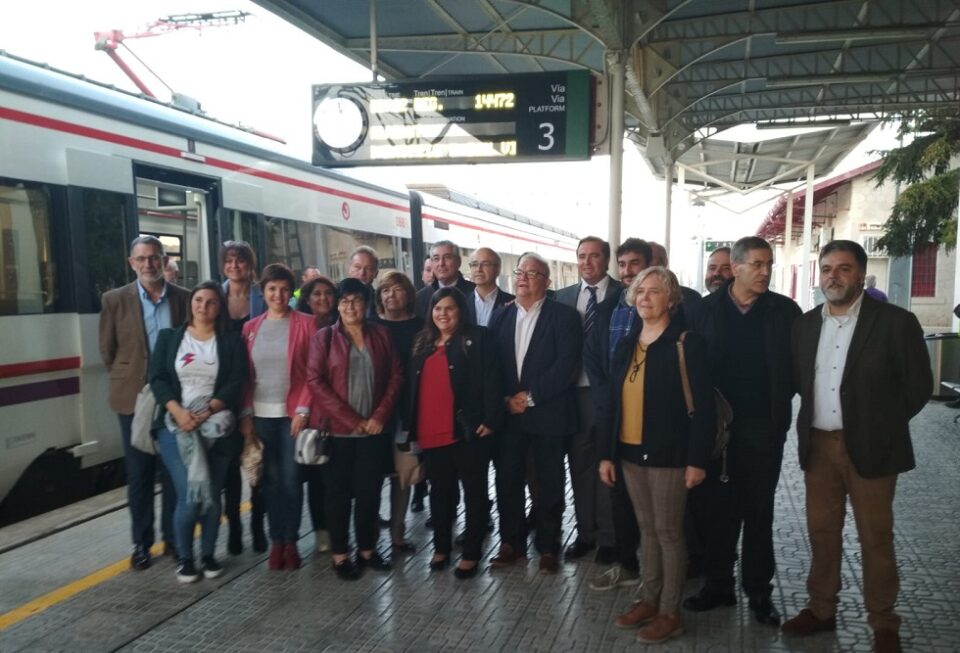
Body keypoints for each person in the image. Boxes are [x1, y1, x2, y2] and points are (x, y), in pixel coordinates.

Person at [783, 241, 931, 653]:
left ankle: (884, 622)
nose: (834, 276)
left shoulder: (895, 323)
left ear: (861, 274)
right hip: (820, 447)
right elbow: (801, 381)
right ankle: (820, 608)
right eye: (827, 269)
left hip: (873, 449)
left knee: (875, 537)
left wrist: (880, 425)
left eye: (844, 269)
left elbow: (918, 386)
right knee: (821, 532)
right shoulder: (805, 325)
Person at [684, 236, 801, 626]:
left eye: (769, 264)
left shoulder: (784, 311)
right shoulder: (703, 311)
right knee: (717, 511)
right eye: (757, 264)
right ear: (735, 268)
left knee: (758, 512)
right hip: (716, 430)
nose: (766, 271)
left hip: (764, 430)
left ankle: (758, 591)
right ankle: (718, 585)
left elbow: (798, 370)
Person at [598, 267, 714, 643]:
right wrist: (606, 454)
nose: (644, 298)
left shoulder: (685, 342)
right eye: (639, 291)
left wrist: (697, 459)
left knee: (668, 533)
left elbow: (704, 409)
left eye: (653, 291)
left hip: (669, 454)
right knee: (646, 530)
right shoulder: (627, 342)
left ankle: (670, 611)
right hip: (629, 451)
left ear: (670, 299)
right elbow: (611, 404)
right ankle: (648, 598)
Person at [99, 235, 189, 570]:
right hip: (133, 399)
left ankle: (174, 540)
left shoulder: (183, 298)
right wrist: (131, 378)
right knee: (138, 475)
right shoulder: (114, 300)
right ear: (131, 263)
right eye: (142, 259)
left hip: (173, 400)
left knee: (172, 473)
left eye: (155, 258)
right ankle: (141, 544)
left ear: (164, 260)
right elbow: (108, 350)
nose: (149, 264)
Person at [487, 252, 581, 574]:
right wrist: (504, 400)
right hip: (510, 418)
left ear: (546, 281)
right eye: (519, 271)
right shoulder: (500, 317)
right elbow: (492, 367)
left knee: (549, 483)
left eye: (531, 272)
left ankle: (548, 545)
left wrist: (529, 398)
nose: (523, 277)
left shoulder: (564, 317)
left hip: (548, 415)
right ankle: (510, 543)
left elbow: (565, 367)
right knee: (507, 480)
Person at [148, 281, 248, 583]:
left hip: (217, 424)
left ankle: (207, 554)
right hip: (175, 425)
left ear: (220, 308)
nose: (203, 307)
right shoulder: (169, 338)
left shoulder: (231, 341)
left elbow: (237, 379)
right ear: (191, 303)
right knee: (191, 496)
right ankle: (185, 557)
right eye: (199, 300)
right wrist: (178, 412)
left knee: (212, 497)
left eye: (211, 302)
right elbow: (157, 378)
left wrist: (210, 409)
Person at [306, 278, 402, 580]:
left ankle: (367, 550)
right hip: (337, 432)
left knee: (369, 492)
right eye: (344, 300)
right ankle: (339, 554)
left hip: (374, 431)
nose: (350, 306)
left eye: (357, 300)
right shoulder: (323, 338)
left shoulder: (382, 335)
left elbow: (396, 377)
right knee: (337, 494)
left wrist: (379, 416)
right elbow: (315, 382)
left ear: (366, 304)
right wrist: (351, 420)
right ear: (337, 304)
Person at [407, 288, 503, 578]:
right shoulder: (422, 341)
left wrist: (491, 418)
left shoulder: (478, 337)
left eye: (449, 308)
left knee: (474, 493)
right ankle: (441, 548)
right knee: (440, 493)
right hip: (431, 430)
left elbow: (493, 378)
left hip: (467, 430)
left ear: (461, 311)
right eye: (438, 309)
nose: (443, 314)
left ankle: (471, 552)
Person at [583, 237, 652, 591]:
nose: (627, 272)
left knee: (654, 500)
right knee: (618, 495)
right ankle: (626, 563)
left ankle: (656, 575)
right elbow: (593, 360)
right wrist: (608, 401)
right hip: (615, 418)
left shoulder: (667, 309)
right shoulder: (608, 307)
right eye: (622, 265)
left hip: (653, 421)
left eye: (634, 263)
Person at [239, 263, 317, 571]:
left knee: (292, 481)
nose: (279, 294)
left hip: (292, 417)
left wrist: (303, 409)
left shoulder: (307, 324)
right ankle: (277, 541)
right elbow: (246, 377)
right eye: (272, 289)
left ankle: (292, 541)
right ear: (263, 292)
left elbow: (314, 372)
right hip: (260, 415)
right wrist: (245, 415)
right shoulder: (250, 328)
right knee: (269, 483)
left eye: (285, 289)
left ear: (292, 291)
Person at [555, 236, 620, 565]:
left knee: (608, 466)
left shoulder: (625, 295)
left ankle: (610, 538)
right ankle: (585, 533)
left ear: (606, 259)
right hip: (573, 395)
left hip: (611, 396)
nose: (587, 262)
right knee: (580, 467)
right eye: (582, 256)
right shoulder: (562, 298)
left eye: (595, 256)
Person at [219, 240, 267, 555]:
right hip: (224, 388)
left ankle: (257, 524)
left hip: (260, 385)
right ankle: (234, 526)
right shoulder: (215, 295)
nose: (235, 266)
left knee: (257, 461)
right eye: (230, 261)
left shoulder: (262, 294)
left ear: (250, 264)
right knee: (228, 466)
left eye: (241, 261)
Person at [373, 271, 424, 554]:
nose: (391, 295)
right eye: (385, 290)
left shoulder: (421, 327)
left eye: (397, 289)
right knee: (372, 473)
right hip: (373, 413)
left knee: (402, 475)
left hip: (407, 411)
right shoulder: (370, 326)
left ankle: (397, 533)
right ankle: (369, 534)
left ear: (409, 294)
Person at [295, 274, 339, 553]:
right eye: (316, 294)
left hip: (338, 411)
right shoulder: (299, 327)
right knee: (314, 476)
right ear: (307, 299)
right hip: (307, 411)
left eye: (327, 293)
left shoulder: (342, 325)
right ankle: (322, 530)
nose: (322, 298)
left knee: (335, 476)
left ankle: (337, 528)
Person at [414, 241, 475, 318]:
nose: (441, 263)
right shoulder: (421, 298)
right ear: (432, 263)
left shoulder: (474, 293)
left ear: (458, 261)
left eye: (447, 257)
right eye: (436, 259)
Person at [466, 247, 514, 327]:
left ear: (498, 269)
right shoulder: (461, 302)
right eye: (474, 264)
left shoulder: (512, 303)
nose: (479, 269)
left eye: (485, 264)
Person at [348, 246, 380, 318]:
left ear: (376, 273)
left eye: (368, 268)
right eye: (357, 267)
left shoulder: (381, 301)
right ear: (349, 269)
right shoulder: (335, 297)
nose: (362, 273)